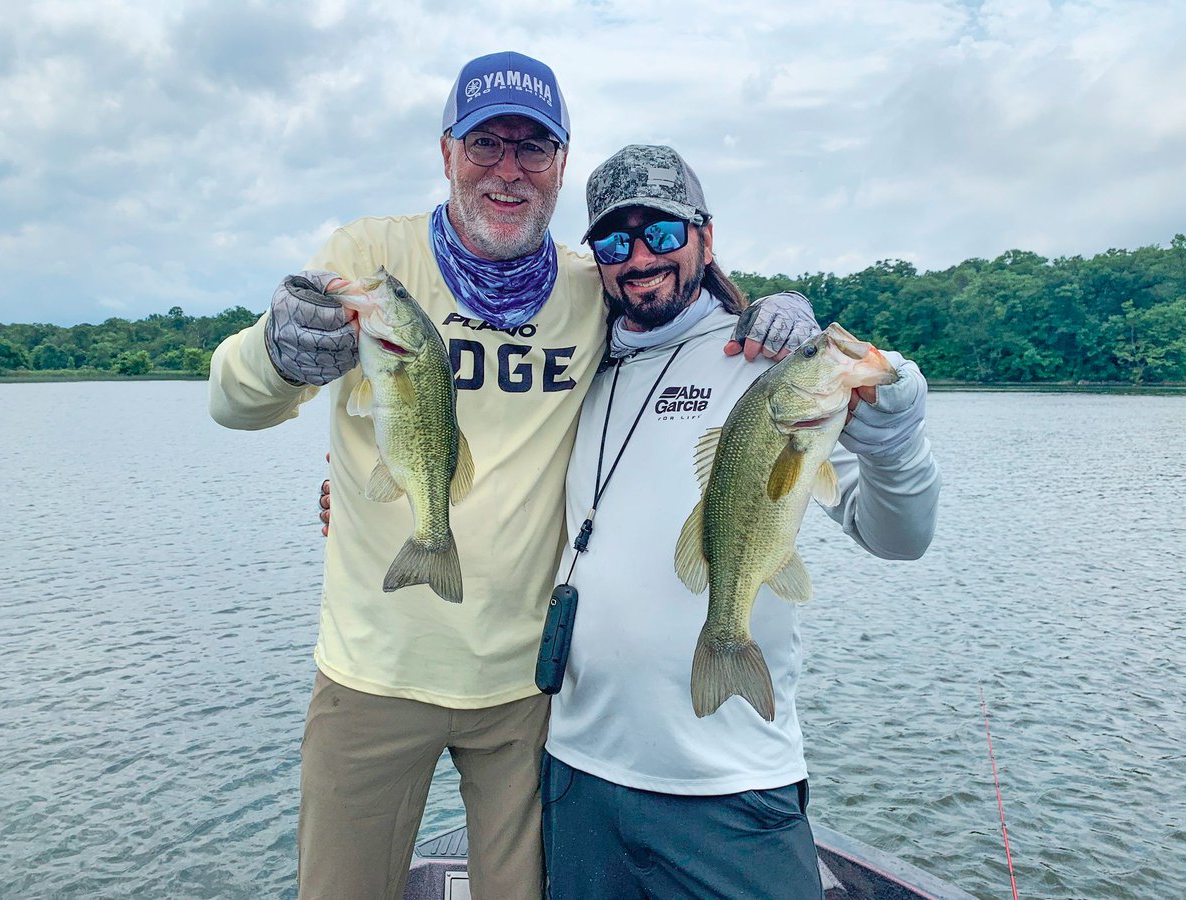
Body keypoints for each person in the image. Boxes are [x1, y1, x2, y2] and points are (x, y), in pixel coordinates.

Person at [209, 52, 817, 900]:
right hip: (374, 671)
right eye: (486, 143)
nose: (508, 170)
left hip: (528, 696)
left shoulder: (586, 285)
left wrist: (777, 318)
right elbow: (234, 404)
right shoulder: (367, 256)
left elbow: (676, 309)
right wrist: (272, 353)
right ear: (447, 151)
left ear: (560, 166)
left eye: (533, 149)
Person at [538, 145, 942, 899]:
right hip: (578, 777)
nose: (638, 257)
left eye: (660, 233)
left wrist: (894, 434)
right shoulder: (575, 364)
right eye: (614, 240)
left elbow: (900, 536)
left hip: (730, 794)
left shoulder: (769, 363)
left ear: (706, 238)